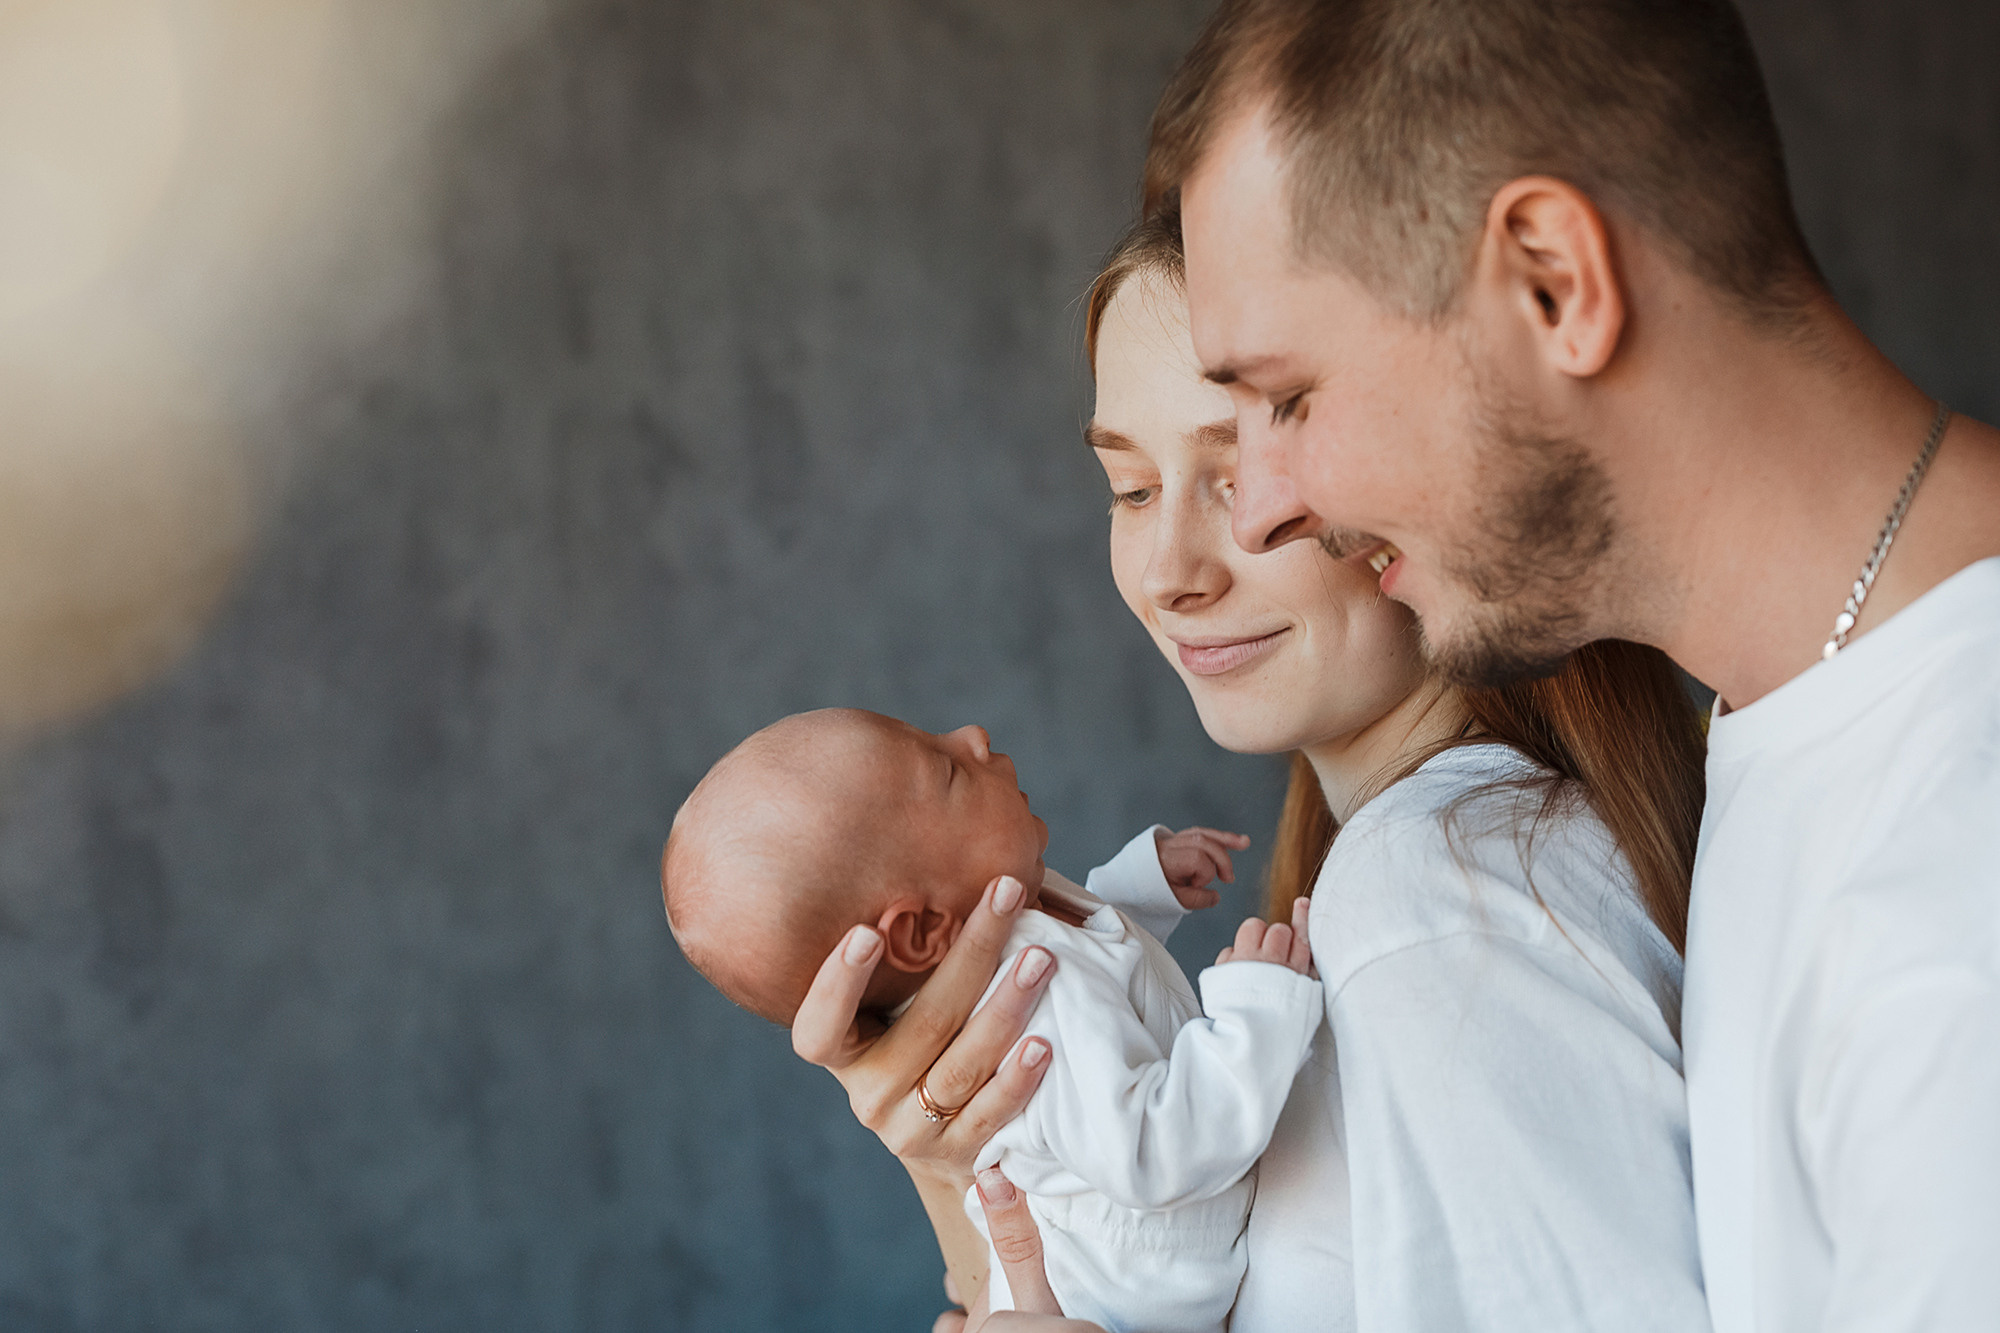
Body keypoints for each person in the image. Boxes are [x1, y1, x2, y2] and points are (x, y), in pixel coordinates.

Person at [1144, 1, 2000, 1329]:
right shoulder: (1802, 713)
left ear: (1556, 280)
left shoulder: (1957, 891)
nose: (1265, 507)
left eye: (1292, 398)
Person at [788, 216, 1713, 1331]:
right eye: (1130, 489)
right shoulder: (1393, 875)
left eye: (1241, 473)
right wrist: (951, 1163)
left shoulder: (1437, 900)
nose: (1169, 573)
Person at [662, 706, 1321, 1332]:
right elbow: (1154, 1147)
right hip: (1138, 1290)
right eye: (946, 770)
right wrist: (1259, 1008)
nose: (971, 736)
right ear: (920, 929)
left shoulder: (1007, 937)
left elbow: (1103, 977)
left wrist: (1136, 889)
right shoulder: (1034, 1004)